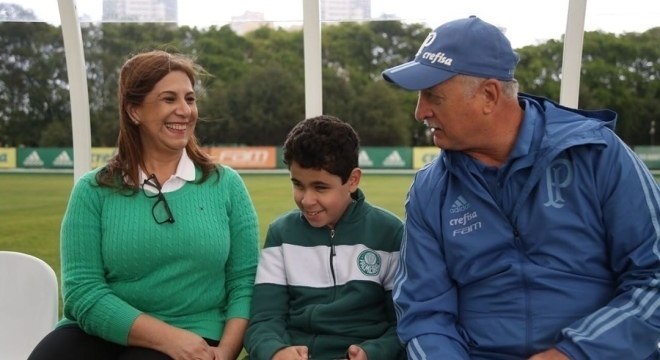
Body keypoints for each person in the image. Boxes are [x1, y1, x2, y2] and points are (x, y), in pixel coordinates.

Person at [381, 15, 660, 360]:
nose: (420, 112)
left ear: (488, 95)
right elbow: (424, 315)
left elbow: (654, 279)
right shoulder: (429, 189)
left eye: (433, 96)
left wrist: (574, 353)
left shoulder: (598, 154)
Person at [28, 50, 260, 360]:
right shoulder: (92, 190)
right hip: (98, 332)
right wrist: (167, 338)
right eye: (169, 99)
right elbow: (82, 292)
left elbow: (243, 282)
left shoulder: (226, 185)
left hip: (196, 336)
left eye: (189, 99)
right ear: (134, 111)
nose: (185, 111)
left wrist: (226, 352)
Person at [243, 115, 406, 360]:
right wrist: (276, 352)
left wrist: (373, 352)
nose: (306, 200)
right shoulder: (281, 234)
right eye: (298, 185)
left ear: (352, 180)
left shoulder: (390, 232)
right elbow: (264, 320)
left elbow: (404, 323)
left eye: (320, 188)